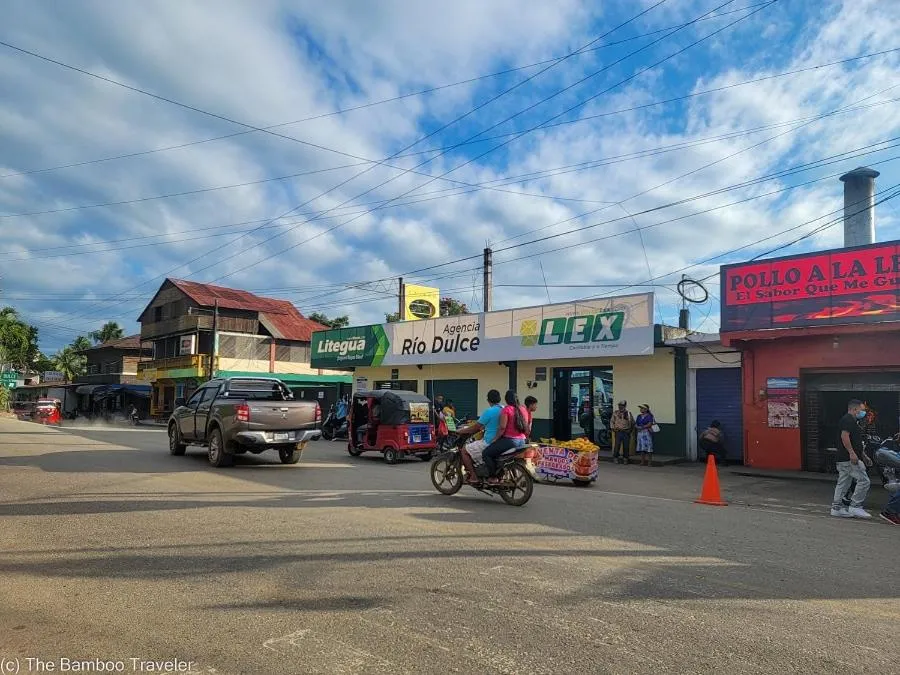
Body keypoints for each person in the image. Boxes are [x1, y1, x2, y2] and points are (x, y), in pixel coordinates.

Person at [831, 399, 872, 519]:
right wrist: (852, 454)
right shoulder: (848, 420)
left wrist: (863, 456)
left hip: (845, 458)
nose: (863, 412)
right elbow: (845, 437)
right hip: (848, 458)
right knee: (864, 481)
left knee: (843, 483)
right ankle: (855, 506)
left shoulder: (852, 421)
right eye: (862, 410)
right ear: (855, 409)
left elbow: (856, 442)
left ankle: (836, 508)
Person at [481, 390, 531, 482]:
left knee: (486, 453)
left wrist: (495, 439)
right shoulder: (523, 409)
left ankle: (493, 477)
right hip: (522, 441)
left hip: (510, 441)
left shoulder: (507, 409)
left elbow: (502, 427)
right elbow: (527, 426)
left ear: (506, 399)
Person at [456, 390, 504, 483]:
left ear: (488, 400)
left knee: (464, 451)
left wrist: (461, 431)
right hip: (501, 441)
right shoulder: (504, 408)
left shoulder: (489, 411)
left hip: (489, 441)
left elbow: (476, 427)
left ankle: (474, 477)